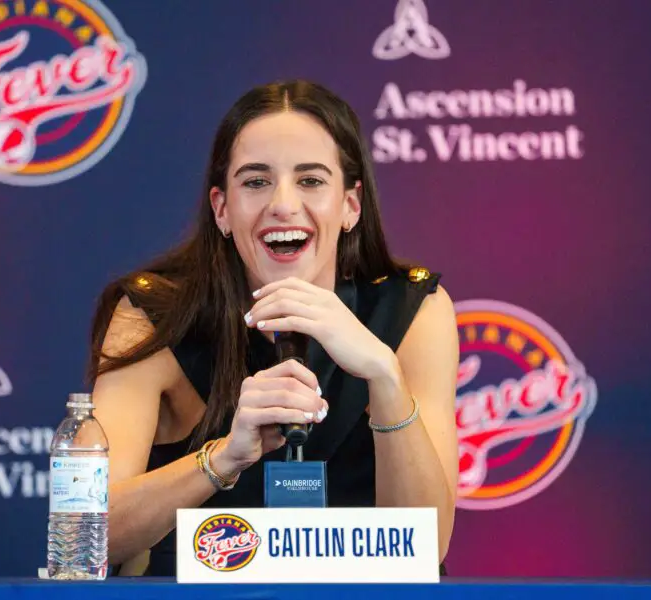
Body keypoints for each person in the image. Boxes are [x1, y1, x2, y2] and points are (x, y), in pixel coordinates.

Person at [86, 80, 460, 577]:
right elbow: (89, 536)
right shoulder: (154, 313)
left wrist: (385, 376)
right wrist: (221, 459)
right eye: (256, 182)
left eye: (310, 180)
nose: (283, 204)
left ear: (351, 205)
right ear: (222, 210)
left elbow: (427, 550)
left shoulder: (411, 310)